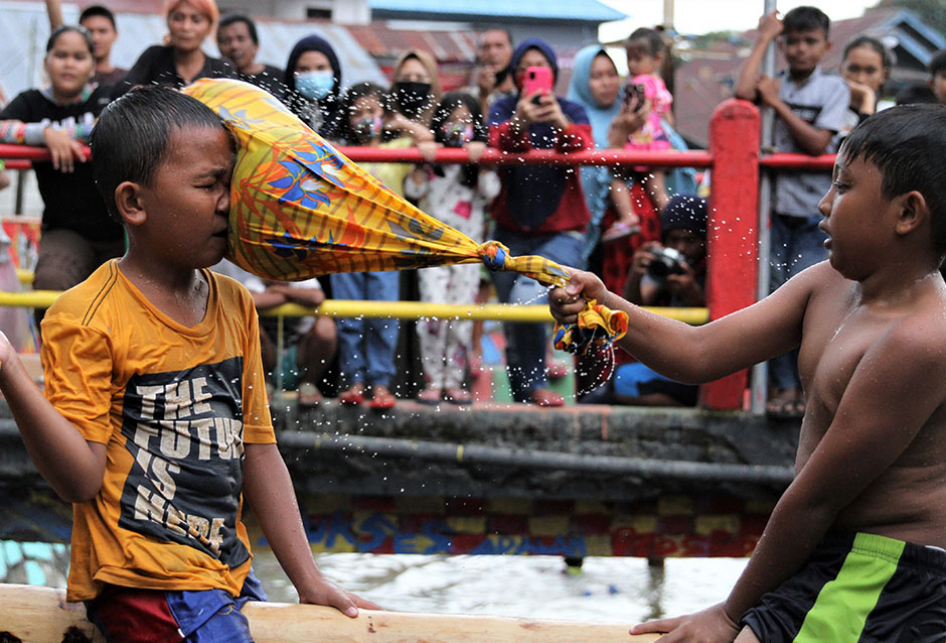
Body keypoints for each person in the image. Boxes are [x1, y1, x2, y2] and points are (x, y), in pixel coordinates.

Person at [551, 104, 946, 643]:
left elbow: (816, 498)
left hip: (894, 573)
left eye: (845, 187)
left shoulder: (922, 339)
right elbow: (697, 351)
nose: (823, 206)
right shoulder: (825, 284)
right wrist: (605, 304)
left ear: (907, 213)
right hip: (832, 556)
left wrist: (731, 612)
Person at [0, 85, 378, 641]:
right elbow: (81, 479)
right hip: (144, 582)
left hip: (222, 571)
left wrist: (308, 578)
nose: (229, 201)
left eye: (231, 181)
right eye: (208, 185)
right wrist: (9, 370)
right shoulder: (85, 317)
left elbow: (258, 449)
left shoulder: (234, 302)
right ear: (134, 203)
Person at [734, 7, 849, 419]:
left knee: (807, 297)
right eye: (792, 42)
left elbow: (819, 143)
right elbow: (742, 93)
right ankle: (781, 384)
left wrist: (778, 106)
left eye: (809, 42)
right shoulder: (772, 82)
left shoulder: (833, 89)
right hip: (775, 212)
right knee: (773, 295)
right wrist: (763, 37)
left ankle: (806, 387)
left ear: (825, 46)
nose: (800, 50)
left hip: (812, 216)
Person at [487, 37, 593, 407]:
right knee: (514, 323)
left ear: (552, 72)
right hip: (509, 230)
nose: (530, 75)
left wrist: (559, 121)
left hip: (561, 231)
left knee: (526, 302)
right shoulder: (502, 107)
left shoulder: (572, 108)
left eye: (538, 67)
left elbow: (581, 149)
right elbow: (500, 145)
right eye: (523, 69)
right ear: (515, 76)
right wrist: (520, 120)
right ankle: (524, 399)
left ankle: (535, 387)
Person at [0, 26, 124, 325]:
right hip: (67, 230)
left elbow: (117, 125)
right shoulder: (31, 103)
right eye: (61, 55)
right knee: (51, 280)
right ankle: (57, 368)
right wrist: (42, 133)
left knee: (130, 302)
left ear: (92, 66)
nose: (69, 63)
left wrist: (64, 134)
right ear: (46, 62)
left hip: (123, 229)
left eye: (79, 57)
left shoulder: (108, 96)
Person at [405, 92, 499, 406]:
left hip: (469, 253)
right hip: (433, 251)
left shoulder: (477, 161)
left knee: (461, 313)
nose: (458, 127)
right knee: (433, 312)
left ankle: (454, 381)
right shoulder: (432, 158)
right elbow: (413, 189)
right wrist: (423, 156)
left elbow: (490, 192)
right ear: (439, 123)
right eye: (451, 120)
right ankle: (433, 380)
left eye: (465, 121)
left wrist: (483, 159)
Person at [331, 82, 419, 410]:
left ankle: (381, 382)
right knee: (349, 316)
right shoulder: (341, 153)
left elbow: (426, 141)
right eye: (358, 112)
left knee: (384, 315)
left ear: (385, 112)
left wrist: (400, 123)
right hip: (347, 246)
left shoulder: (398, 148)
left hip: (385, 247)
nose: (366, 117)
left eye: (373, 111)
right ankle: (354, 380)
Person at [600, 26, 674, 245]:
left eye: (637, 59)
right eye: (629, 58)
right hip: (659, 144)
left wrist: (620, 122)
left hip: (639, 143)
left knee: (617, 180)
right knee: (658, 189)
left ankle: (628, 216)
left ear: (656, 59)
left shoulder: (637, 84)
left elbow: (632, 113)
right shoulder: (660, 84)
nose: (632, 65)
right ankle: (673, 221)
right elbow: (668, 119)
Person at [112, 0, 235, 98]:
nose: (186, 27)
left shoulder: (222, 68)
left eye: (196, 20)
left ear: (209, 26)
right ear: (168, 22)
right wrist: (149, 94)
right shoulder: (154, 57)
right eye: (178, 18)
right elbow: (121, 89)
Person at [46, 1, 127, 85]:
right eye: (89, 31)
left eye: (102, 31)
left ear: (115, 35)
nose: (95, 38)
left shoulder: (126, 79)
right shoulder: (71, 74)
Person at [283, 34, 344, 140]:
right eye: (304, 69)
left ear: (334, 70)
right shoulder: (281, 113)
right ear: (292, 73)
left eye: (321, 68)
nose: (313, 76)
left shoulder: (346, 113)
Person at [217, 13, 285, 102]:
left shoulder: (278, 77)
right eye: (226, 41)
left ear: (255, 45)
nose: (234, 46)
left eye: (241, 39)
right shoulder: (216, 80)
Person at [838, 35, 893, 137]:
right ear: (841, 70)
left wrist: (867, 97)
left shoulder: (892, 117)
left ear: (884, 75)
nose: (860, 79)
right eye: (853, 69)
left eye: (870, 71)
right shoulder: (826, 110)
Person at [387, 49, 441, 145]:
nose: (412, 82)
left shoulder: (442, 114)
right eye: (405, 78)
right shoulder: (385, 113)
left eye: (420, 78)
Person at [468, 28, 516, 115]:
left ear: (512, 51)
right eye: (486, 47)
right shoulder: (469, 97)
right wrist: (483, 97)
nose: (492, 52)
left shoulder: (521, 94)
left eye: (499, 46)